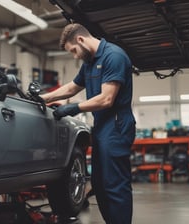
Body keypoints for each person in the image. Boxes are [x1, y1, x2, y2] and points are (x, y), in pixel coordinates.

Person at [40, 23, 136, 224]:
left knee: (114, 184)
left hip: (117, 126)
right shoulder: (90, 62)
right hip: (101, 126)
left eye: (74, 50)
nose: (75, 56)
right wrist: (44, 98)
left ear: (81, 40)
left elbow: (106, 99)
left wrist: (73, 108)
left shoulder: (113, 56)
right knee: (99, 185)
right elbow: (72, 87)